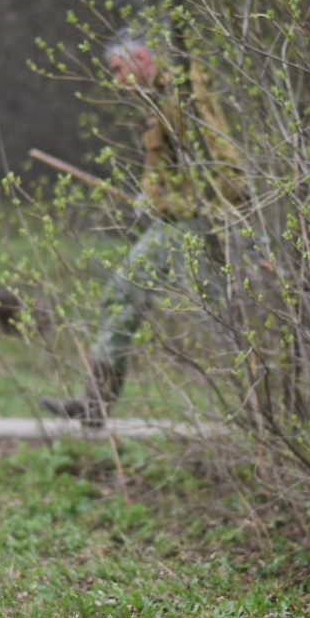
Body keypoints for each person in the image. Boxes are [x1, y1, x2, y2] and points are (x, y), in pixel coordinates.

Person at [40, 33, 245, 426]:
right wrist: (156, 199)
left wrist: (207, 206)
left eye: (119, 70)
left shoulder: (186, 92)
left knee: (218, 315)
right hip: (174, 220)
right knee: (121, 297)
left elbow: (225, 160)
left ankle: (261, 412)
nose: (117, 81)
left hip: (200, 221)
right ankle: (95, 406)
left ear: (141, 58)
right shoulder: (159, 100)